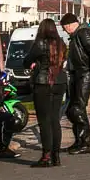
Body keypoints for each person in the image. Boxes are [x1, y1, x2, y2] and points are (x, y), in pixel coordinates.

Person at [24, 18, 69, 167]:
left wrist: (36, 64)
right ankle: (56, 156)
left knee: (44, 120)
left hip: (43, 82)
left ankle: (46, 156)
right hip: (60, 81)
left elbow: (26, 60)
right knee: (54, 119)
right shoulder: (61, 44)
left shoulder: (40, 43)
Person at [60, 13, 90, 155]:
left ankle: (85, 142)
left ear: (71, 24)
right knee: (72, 108)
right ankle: (79, 140)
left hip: (85, 73)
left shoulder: (83, 33)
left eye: (66, 27)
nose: (65, 30)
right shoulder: (76, 36)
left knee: (77, 108)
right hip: (78, 73)